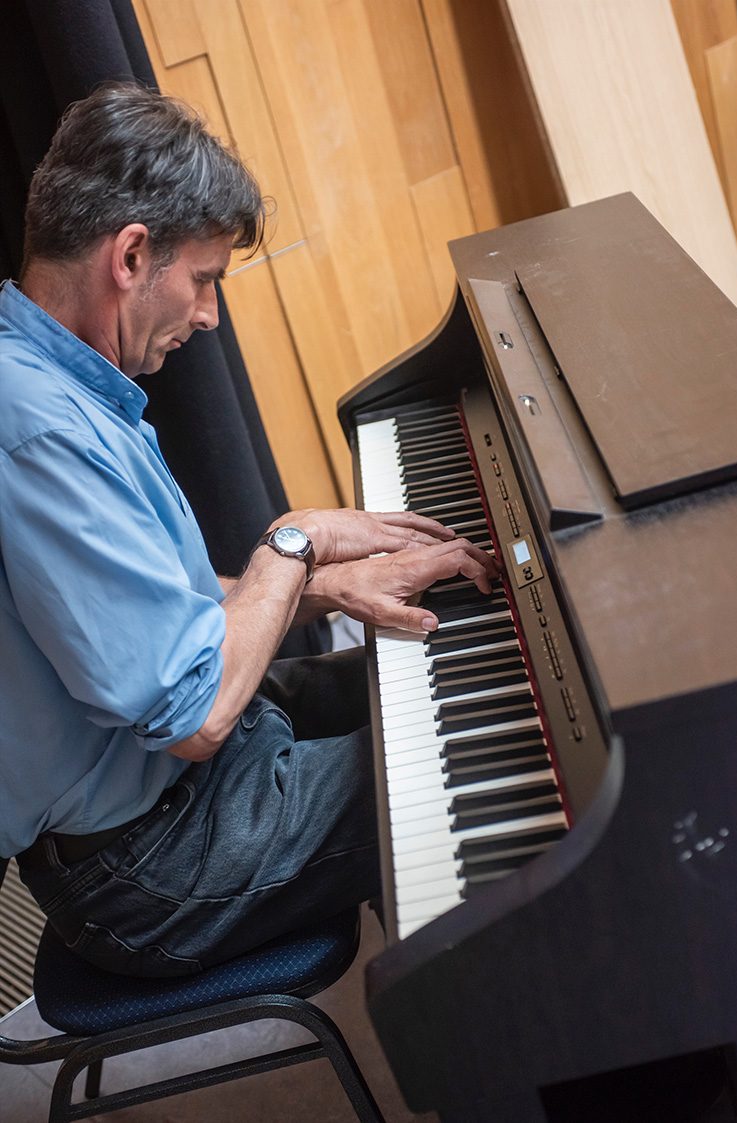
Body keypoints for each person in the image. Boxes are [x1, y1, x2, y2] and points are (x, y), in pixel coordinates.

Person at [0, 83, 498, 977]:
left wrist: (319, 589)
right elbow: (192, 712)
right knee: (469, 770)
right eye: (203, 282)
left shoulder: (48, 380)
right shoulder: (33, 428)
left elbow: (149, 622)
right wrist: (292, 544)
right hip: (143, 865)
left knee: (456, 661)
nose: (208, 316)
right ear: (131, 254)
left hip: (174, 783)